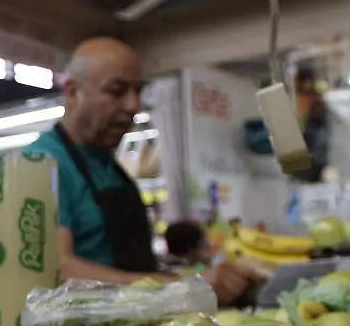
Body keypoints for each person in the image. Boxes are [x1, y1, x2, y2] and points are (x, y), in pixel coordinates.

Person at [26, 37, 257, 305]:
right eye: (117, 91)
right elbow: (57, 270)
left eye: (138, 91)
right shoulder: (42, 162)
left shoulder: (108, 166)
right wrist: (183, 287)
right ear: (73, 92)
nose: (133, 106)